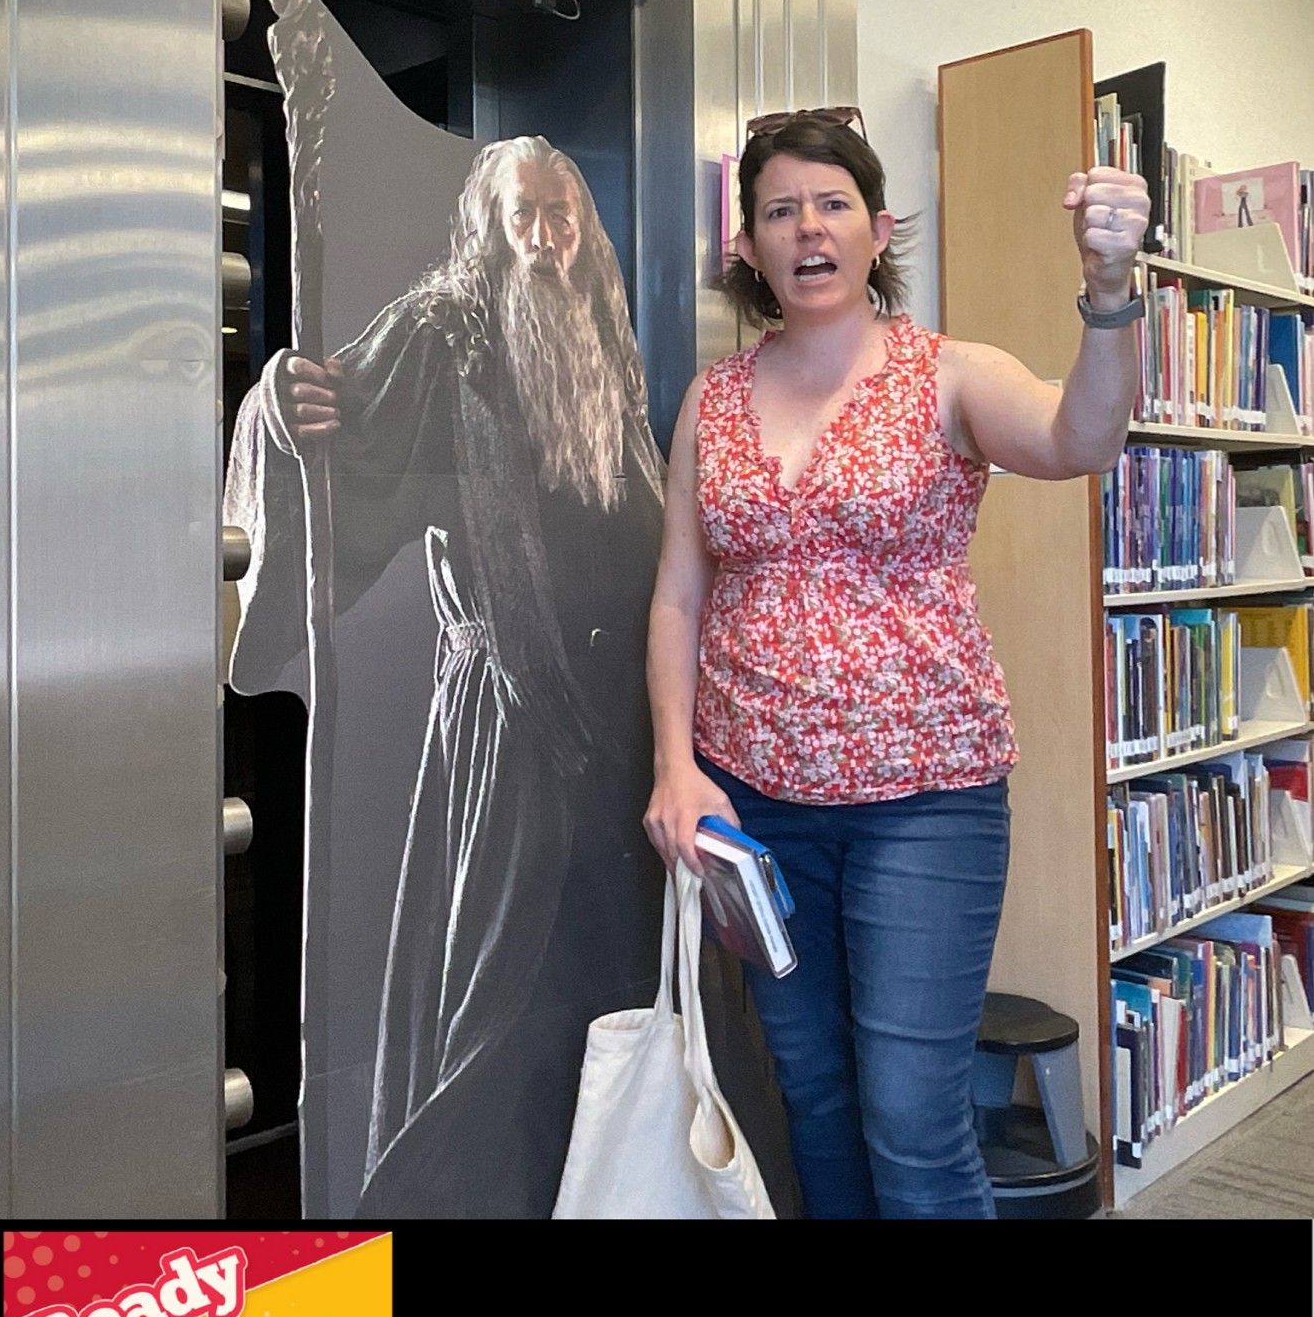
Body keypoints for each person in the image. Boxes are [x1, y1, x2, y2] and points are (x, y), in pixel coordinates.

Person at [643, 106, 1148, 1220]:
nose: (806, 229)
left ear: (876, 231)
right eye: (779, 209)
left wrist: (1110, 296)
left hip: (926, 804)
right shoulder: (711, 400)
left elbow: (1081, 439)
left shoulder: (946, 373)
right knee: (813, 1097)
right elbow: (680, 591)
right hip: (755, 808)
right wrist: (677, 766)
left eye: (831, 205)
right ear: (750, 248)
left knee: (913, 1124)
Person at [226, 133, 665, 1217]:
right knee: (493, 1013)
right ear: (486, 226)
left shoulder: (605, 342)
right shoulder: (443, 331)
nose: (547, 237)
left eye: (564, 214)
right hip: (509, 739)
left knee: (606, 1006)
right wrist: (281, 402)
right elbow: (331, 421)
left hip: (617, 744)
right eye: (525, 213)